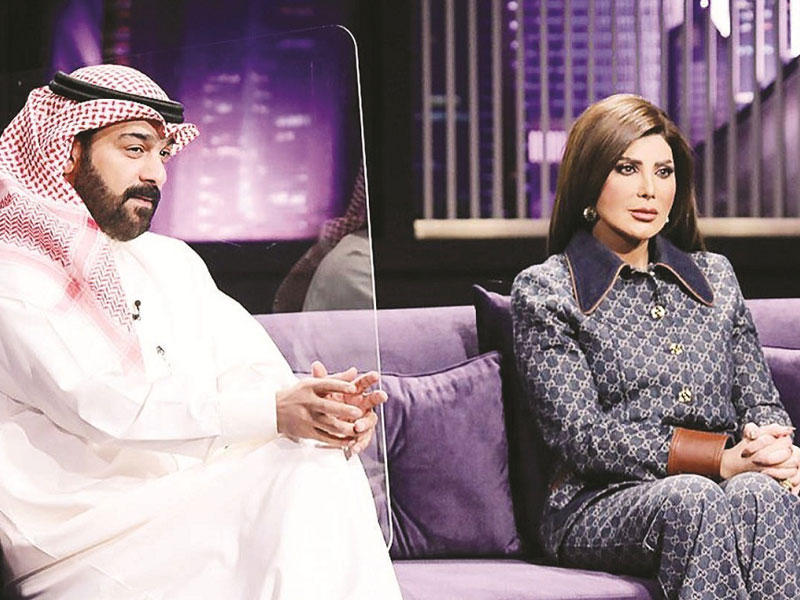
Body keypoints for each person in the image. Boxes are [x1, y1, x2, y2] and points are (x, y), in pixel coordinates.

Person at [0, 64, 402, 599]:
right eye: (135, 149)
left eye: (162, 154)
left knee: (316, 459)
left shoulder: (170, 262)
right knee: (307, 478)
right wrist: (275, 412)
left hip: (186, 499)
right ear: (66, 151)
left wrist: (321, 411)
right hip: (82, 540)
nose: (157, 174)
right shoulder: (15, 273)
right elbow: (102, 405)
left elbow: (250, 370)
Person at [511, 94, 800, 599]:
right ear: (590, 178)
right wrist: (718, 459)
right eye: (627, 169)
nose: (649, 189)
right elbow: (582, 437)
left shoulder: (715, 277)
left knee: (760, 492)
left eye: (663, 172)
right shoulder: (547, 291)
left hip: (726, 482)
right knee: (694, 498)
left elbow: (759, 401)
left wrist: (772, 448)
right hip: (598, 500)